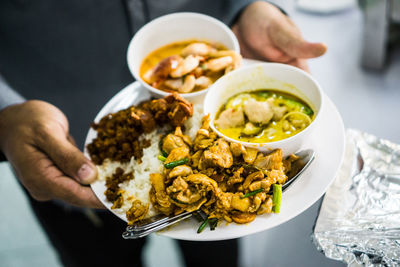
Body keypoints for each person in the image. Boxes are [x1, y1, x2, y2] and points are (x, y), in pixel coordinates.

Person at [0, 1, 327, 266]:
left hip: (222, 71)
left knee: (216, 254)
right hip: (57, 146)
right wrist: (4, 115)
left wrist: (247, 6)